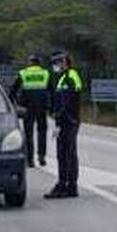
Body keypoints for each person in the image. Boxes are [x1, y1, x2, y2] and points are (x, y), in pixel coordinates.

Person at [45, 51, 84, 199]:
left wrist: (59, 118)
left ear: (64, 63)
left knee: (66, 154)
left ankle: (65, 185)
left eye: (57, 63)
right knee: (67, 154)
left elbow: (67, 102)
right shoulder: (65, 77)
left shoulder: (70, 77)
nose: (55, 67)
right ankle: (68, 186)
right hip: (67, 121)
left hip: (68, 121)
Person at [7, 53, 52, 168]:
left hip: (27, 108)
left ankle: (30, 160)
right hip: (42, 107)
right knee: (42, 132)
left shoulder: (23, 73)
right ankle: (42, 157)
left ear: (30, 62)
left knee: (28, 134)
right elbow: (52, 91)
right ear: (39, 63)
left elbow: (13, 90)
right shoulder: (45, 73)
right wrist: (52, 106)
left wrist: (10, 103)